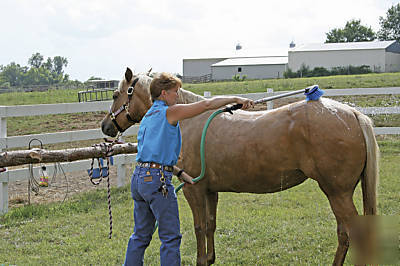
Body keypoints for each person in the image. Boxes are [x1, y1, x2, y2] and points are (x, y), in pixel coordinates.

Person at [124, 73, 254, 266]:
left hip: (139, 180)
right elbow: (206, 105)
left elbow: (151, 154)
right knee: (170, 237)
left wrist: (179, 172)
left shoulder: (148, 116)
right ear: (164, 93)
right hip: (157, 182)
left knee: (140, 235)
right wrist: (236, 99)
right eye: (175, 92)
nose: (178, 95)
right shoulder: (170, 112)